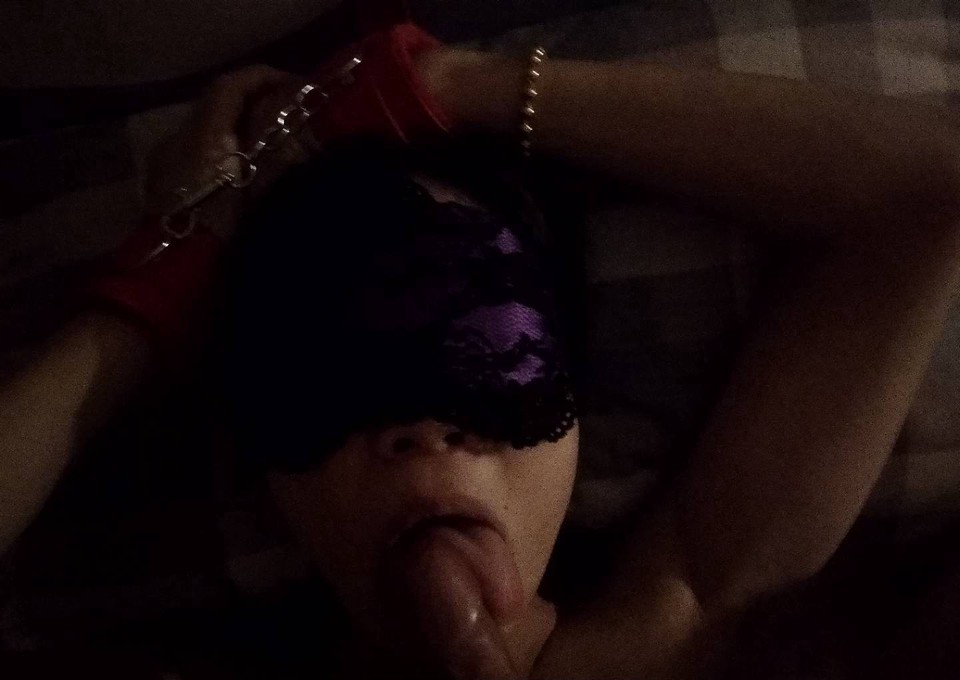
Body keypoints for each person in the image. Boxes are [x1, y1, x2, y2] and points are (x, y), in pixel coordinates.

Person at [2, 21, 959, 680]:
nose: (423, 429)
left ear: (574, 402)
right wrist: (165, 277)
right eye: (332, 370)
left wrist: (443, 85)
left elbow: (925, 191)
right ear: (261, 457)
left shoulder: (685, 623)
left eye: (488, 340)